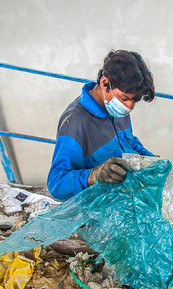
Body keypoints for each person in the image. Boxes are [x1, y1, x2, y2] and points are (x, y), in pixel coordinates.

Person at [47, 50, 156, 201]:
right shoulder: (75, 123)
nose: (129, 107)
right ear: (105, 83)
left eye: (134, 102)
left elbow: (128, 141)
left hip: (124, 194)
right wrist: (94, 175)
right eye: (124, 99)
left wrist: (151, 161)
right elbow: (56, 184)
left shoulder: (118, 108)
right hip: (98, 205)